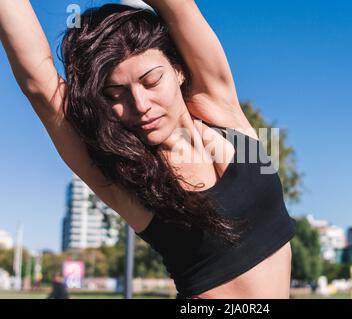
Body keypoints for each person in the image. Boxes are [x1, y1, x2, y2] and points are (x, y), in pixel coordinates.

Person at [0, 0, 296, 299]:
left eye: (151, 81)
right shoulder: (123, 178)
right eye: (116, 95)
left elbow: (179, 7)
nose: (141, 106)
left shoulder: (219, 106)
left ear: (178, 70)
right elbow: (39, 85)